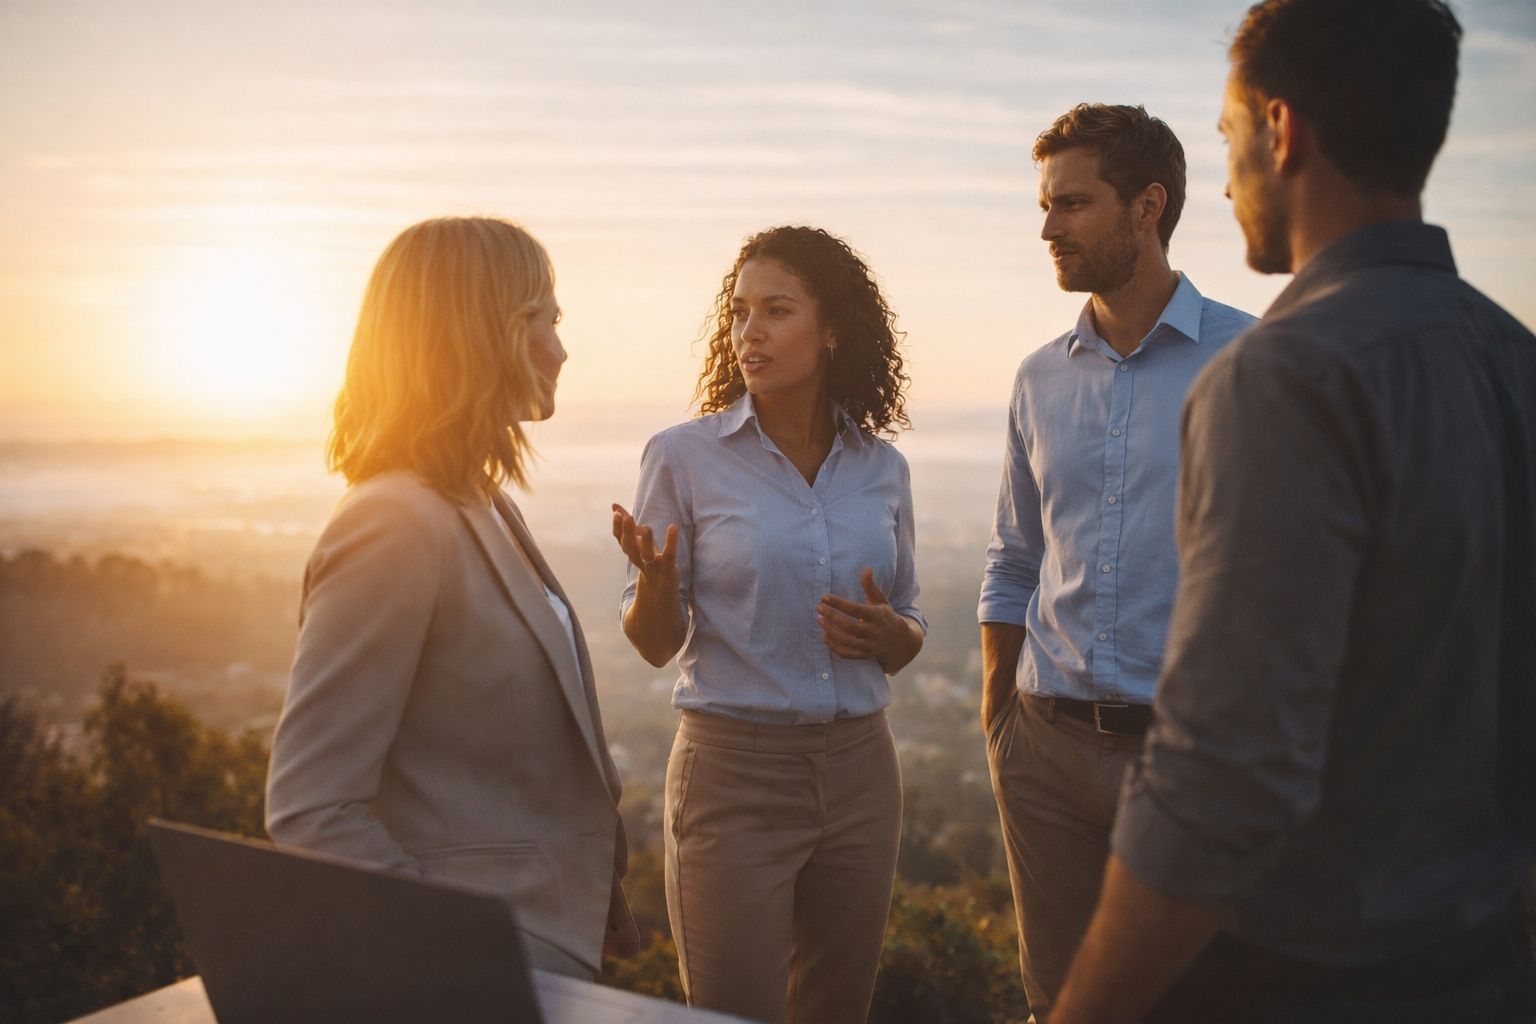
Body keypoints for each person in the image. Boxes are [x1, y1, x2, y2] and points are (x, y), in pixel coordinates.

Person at [1048, 2, 1536, 1021]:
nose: (1223, 183)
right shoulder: (1510, 358)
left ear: (1282, 130)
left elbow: (1225, 777)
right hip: (1488, 965)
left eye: (1228, 139)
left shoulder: (1282, 375)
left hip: (1300, 979)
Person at [265, 216, 639, 980]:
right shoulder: (394, 522)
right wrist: (468, 951)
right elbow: (311, 811)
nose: (562, 349)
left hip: (541, 945)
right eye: (548, 320)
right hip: (477, 966)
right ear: (486, 335)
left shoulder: (480, 503)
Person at [978, 103, 1256, 1018]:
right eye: (1046, 206)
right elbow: (1015, 554)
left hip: (1187, 762)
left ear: (1148, 206)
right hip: (1045, 748)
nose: (1048, 227)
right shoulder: (1038, 378)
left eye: (1072, 204)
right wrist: (1000, 717)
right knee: (1057, 1005)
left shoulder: (1254, 361)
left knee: (1200, 1003)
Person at [610, 225, 924, 1024]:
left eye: (776, 311)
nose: (749, 332)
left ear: (833, 330)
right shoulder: (683, 457)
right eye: (741, 312)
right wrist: (655, 584)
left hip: (861, 773)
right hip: (731, 777)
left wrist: (895, 636)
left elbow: (910, 620)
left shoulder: (883, 468)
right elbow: (654, 645)